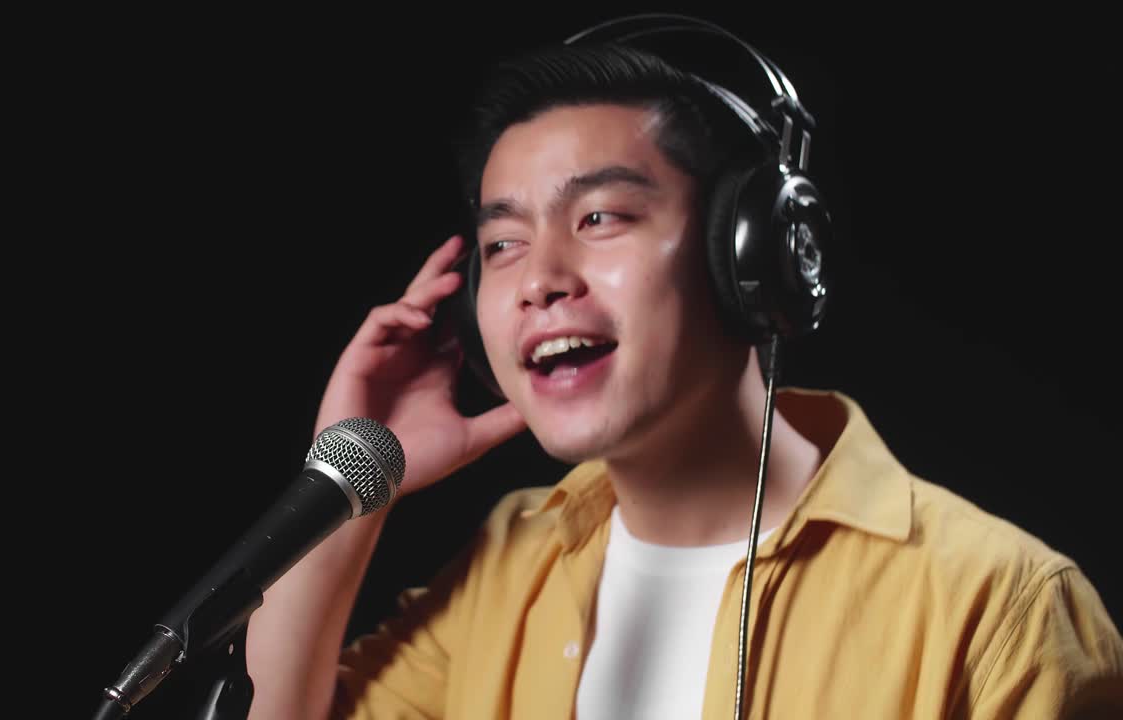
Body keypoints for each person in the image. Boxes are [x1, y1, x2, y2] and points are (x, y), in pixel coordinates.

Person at [243, 20, 1123, 720]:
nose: (540, 282)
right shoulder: (515, 563)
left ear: (745, 255)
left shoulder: (999, 606)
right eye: (503, 244)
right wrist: (353, 467)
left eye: (600, 219)